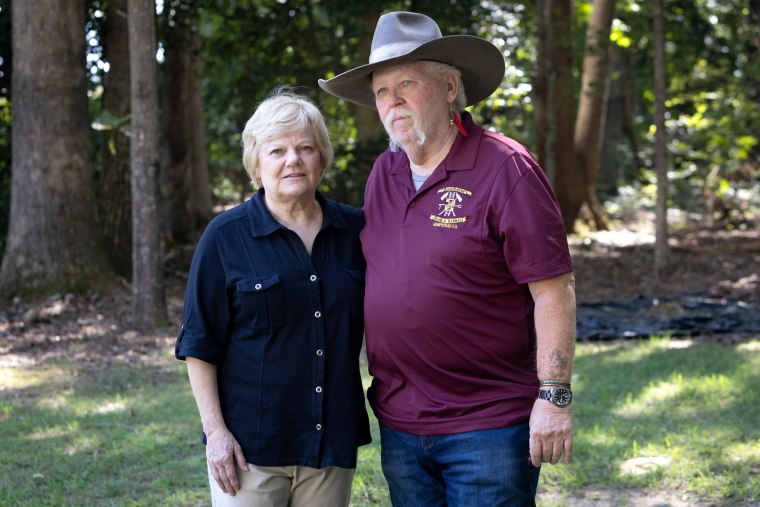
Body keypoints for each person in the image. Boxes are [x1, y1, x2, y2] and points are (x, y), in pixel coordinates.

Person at [319, 11, 576, 506]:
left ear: (451, 86)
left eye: (406, 83)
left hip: (488, 426)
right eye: (380, 91)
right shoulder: (384, 173)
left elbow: (554, 288)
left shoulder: (507, 169)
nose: (392, 101)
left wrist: (554, 397)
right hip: (402, 423)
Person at [175, 87, 371, 507]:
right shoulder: (225, 237)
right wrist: (216, 434)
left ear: (322, 157)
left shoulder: (356, 231)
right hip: (250, 452)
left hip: (330, 446)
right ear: (256, 163)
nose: (293, 160)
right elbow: (199, 345)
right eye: (277, 150)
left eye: (305, 148)